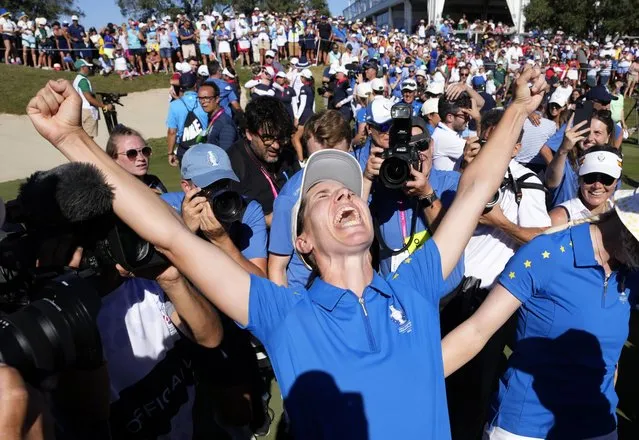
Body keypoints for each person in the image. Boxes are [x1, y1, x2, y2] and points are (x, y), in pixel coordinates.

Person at [27, 65, 547, 440]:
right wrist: (73, 138)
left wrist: (520, 106)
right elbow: (171, 238)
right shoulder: (283, 314)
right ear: (302, 242)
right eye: (322, 193)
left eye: (347, 190)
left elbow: (477, 188)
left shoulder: (416, 283)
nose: (344, 194)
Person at [441, 187, 639, 439]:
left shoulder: (632, 272)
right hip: (525, 428)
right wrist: (412, 382)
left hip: (599, 427)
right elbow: (477, 331)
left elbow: (611, 356)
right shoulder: (547, 253)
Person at [268, 110, 351, 290]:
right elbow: (277, 268)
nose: (327, 169)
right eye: (317, 160)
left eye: (336, 159)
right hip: (306, 301)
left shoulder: (360, 185)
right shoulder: (290, 198)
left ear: (350, 147)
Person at [226, 96, 299, 226]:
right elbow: (228, 217)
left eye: (281, 137)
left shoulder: (288, 153)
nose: (276, 145)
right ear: (249, 133)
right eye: (267, 138)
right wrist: (265, 221)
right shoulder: (232, 164)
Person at [545, 110, 616, 208]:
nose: (590, 138)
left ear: (608, 137)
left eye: (597, 133)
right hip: (564, 220)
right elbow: (551, 182)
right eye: (586, 131)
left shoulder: (612, 165)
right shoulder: (566, 161)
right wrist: (563, 150)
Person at [550, 146, 622, 225]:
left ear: (616, 182)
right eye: (590, 177)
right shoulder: (559, 218)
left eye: (607, 179)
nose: (597, 186)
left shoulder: (621, 215)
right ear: (579, 179)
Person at [106, 124, 167, 194]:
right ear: (114, 158)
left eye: (145, 151)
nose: (141, 158)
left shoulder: (154, 182)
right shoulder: (110, 192)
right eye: (131, 153)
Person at [165, 72, 208, 165]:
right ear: (195, 85)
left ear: (181, 87)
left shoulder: (174, 105)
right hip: (205, 147)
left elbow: (172, 132)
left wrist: (170, 153)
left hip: (185, 150)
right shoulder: (204, 101)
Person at [72, 59, 112, 139]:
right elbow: (89, 98)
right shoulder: (83, 80)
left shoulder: (77, 79)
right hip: (88, 111)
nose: (89, 69)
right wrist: (104, 106)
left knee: (84, 139)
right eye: (87, 67)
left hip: (81, 110)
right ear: (82, 68)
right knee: (89, 139)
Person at [196, 81, 238, 151]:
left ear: (217, 99)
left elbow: (226, 154)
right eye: (200, 98)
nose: (203, 102)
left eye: (207, 98)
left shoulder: (225, 124)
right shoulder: (211, 117)